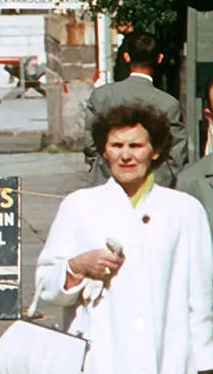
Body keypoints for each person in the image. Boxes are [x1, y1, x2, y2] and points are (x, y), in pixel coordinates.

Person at [31, 104, 213, 374]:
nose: (126, 155)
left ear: (155, 151)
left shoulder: (184, 210)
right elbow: (46, 286)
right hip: (99, 359)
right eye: (116, 145)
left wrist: (205, 363)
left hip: (167, 360)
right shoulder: (79, 206)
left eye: (136, 146)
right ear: (104, 151)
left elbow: (200, 298)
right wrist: (78, 267)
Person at [84, 30, 186, 185]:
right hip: (154, 182)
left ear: (126, 57)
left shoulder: (101, 96)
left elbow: (91, 143)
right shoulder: (168, 103)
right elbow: (176, 152)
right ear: (159, 59)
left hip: (107, 178)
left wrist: (98, 166)